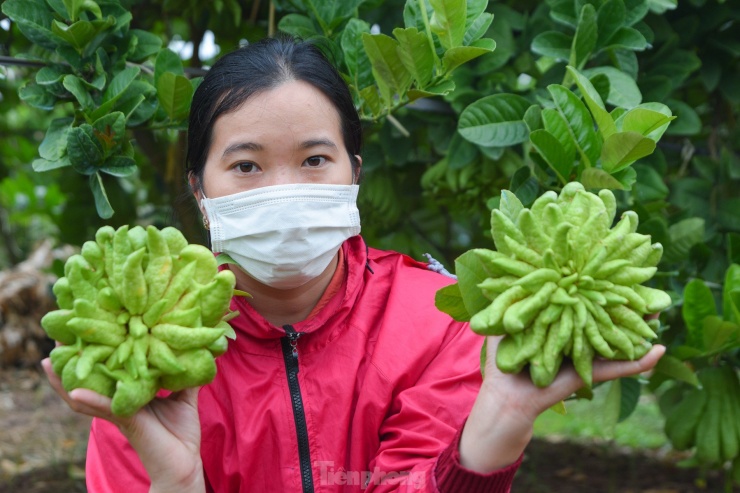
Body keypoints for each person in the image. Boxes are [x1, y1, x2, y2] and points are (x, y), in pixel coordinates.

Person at [42, 36, 665, 492]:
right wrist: (176, 483)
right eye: (246, 165)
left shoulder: (440, 322)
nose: (282, 188)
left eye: (315, 160)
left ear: (354, 176)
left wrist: (500, 422)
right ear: (200, 192)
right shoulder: (147, 366)